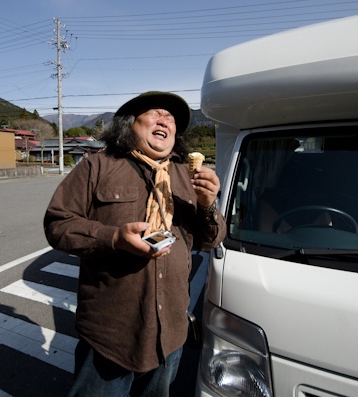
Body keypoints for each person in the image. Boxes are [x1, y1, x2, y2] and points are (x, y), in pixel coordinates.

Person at [43, 91, 225, 396]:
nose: (165, 120)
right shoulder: (98, 166)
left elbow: (209, 241)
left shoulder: (186, 175)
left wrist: (208, 204)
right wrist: (113, 237)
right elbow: (57, 224)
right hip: (111, 335)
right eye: (156, 113)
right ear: (130, 124)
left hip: (170, 334)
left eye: (171, 119)